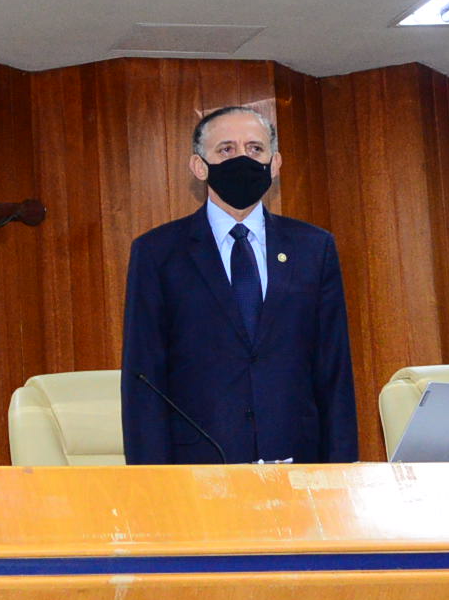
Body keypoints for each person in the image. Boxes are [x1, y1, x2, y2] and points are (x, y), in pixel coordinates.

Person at [120, 103, 356, 465]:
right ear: (199, 166)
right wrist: (152, 487)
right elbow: (143, 376)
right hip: (197, 471)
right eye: (226, 150)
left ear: (275, 164)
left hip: (299, 462)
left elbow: (333, 369)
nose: (242, 158)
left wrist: (342, 472)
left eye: (255, 149)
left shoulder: (314, 247)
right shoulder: (157, 252)